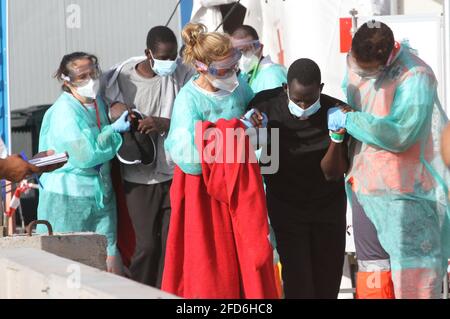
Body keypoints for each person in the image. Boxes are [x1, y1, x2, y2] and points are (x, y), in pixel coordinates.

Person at [328, 21, 450, 299]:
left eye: (365, 69)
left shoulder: (416, 77)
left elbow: (401, 134)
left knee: (415, 279)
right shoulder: (356, 60)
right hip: (364, 188)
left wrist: (351, 119)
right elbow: (355, 93)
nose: (357, 71)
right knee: (374, 274)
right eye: (355, 63)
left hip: (404, 195)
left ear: (385, 61)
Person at [162, 23, 278, 299]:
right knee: (212, 267)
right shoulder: (188, 100)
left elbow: (255, 117)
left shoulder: (238, 88)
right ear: (202, 67)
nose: (231, 75)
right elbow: (187, 157)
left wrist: (257, 123)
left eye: (234, 67)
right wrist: (234, 131)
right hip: (203, 194)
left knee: (252, 260)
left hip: (240, 189)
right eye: (223, 71)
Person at [102, 26, 194, 288]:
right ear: (148, 53)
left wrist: (163, 124)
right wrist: (116, 110)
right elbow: (105, 105)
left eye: (173, 56)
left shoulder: (183, 75)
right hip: (138, 178)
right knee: (146, 245)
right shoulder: (120, 79)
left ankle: (167, 291)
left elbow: (192, 114)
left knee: (170, 242)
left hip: (172, 171)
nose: (169, 63)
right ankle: (140, 291)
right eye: (163, 57)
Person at [249, 58, 349, 299]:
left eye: (310, 99)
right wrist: (254, 131)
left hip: (328, 207)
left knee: (327, 282)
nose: (303, 106)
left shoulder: (335, 111)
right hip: (286, 207)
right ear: (286, 89)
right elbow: (261, 160)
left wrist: (336, 138)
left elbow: (333, 173)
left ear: (321, 89)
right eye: (297, 99)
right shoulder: (266, 106)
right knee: (298, 282)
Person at [37, 52, 130, 273]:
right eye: (82, 76)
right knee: (66, 259)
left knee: (108, 251)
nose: (91, 80)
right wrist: (112, 131)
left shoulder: (96, 102)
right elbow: (85, 155)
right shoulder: (64, 112)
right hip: (67, 197)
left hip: (99, 194)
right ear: (66, 80)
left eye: (93, 73)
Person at [232, 25, 287, 94]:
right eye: (236, 52)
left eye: (246, 50)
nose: (241, 56)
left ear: (259, 47)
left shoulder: (272, 75)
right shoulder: (245, 75)